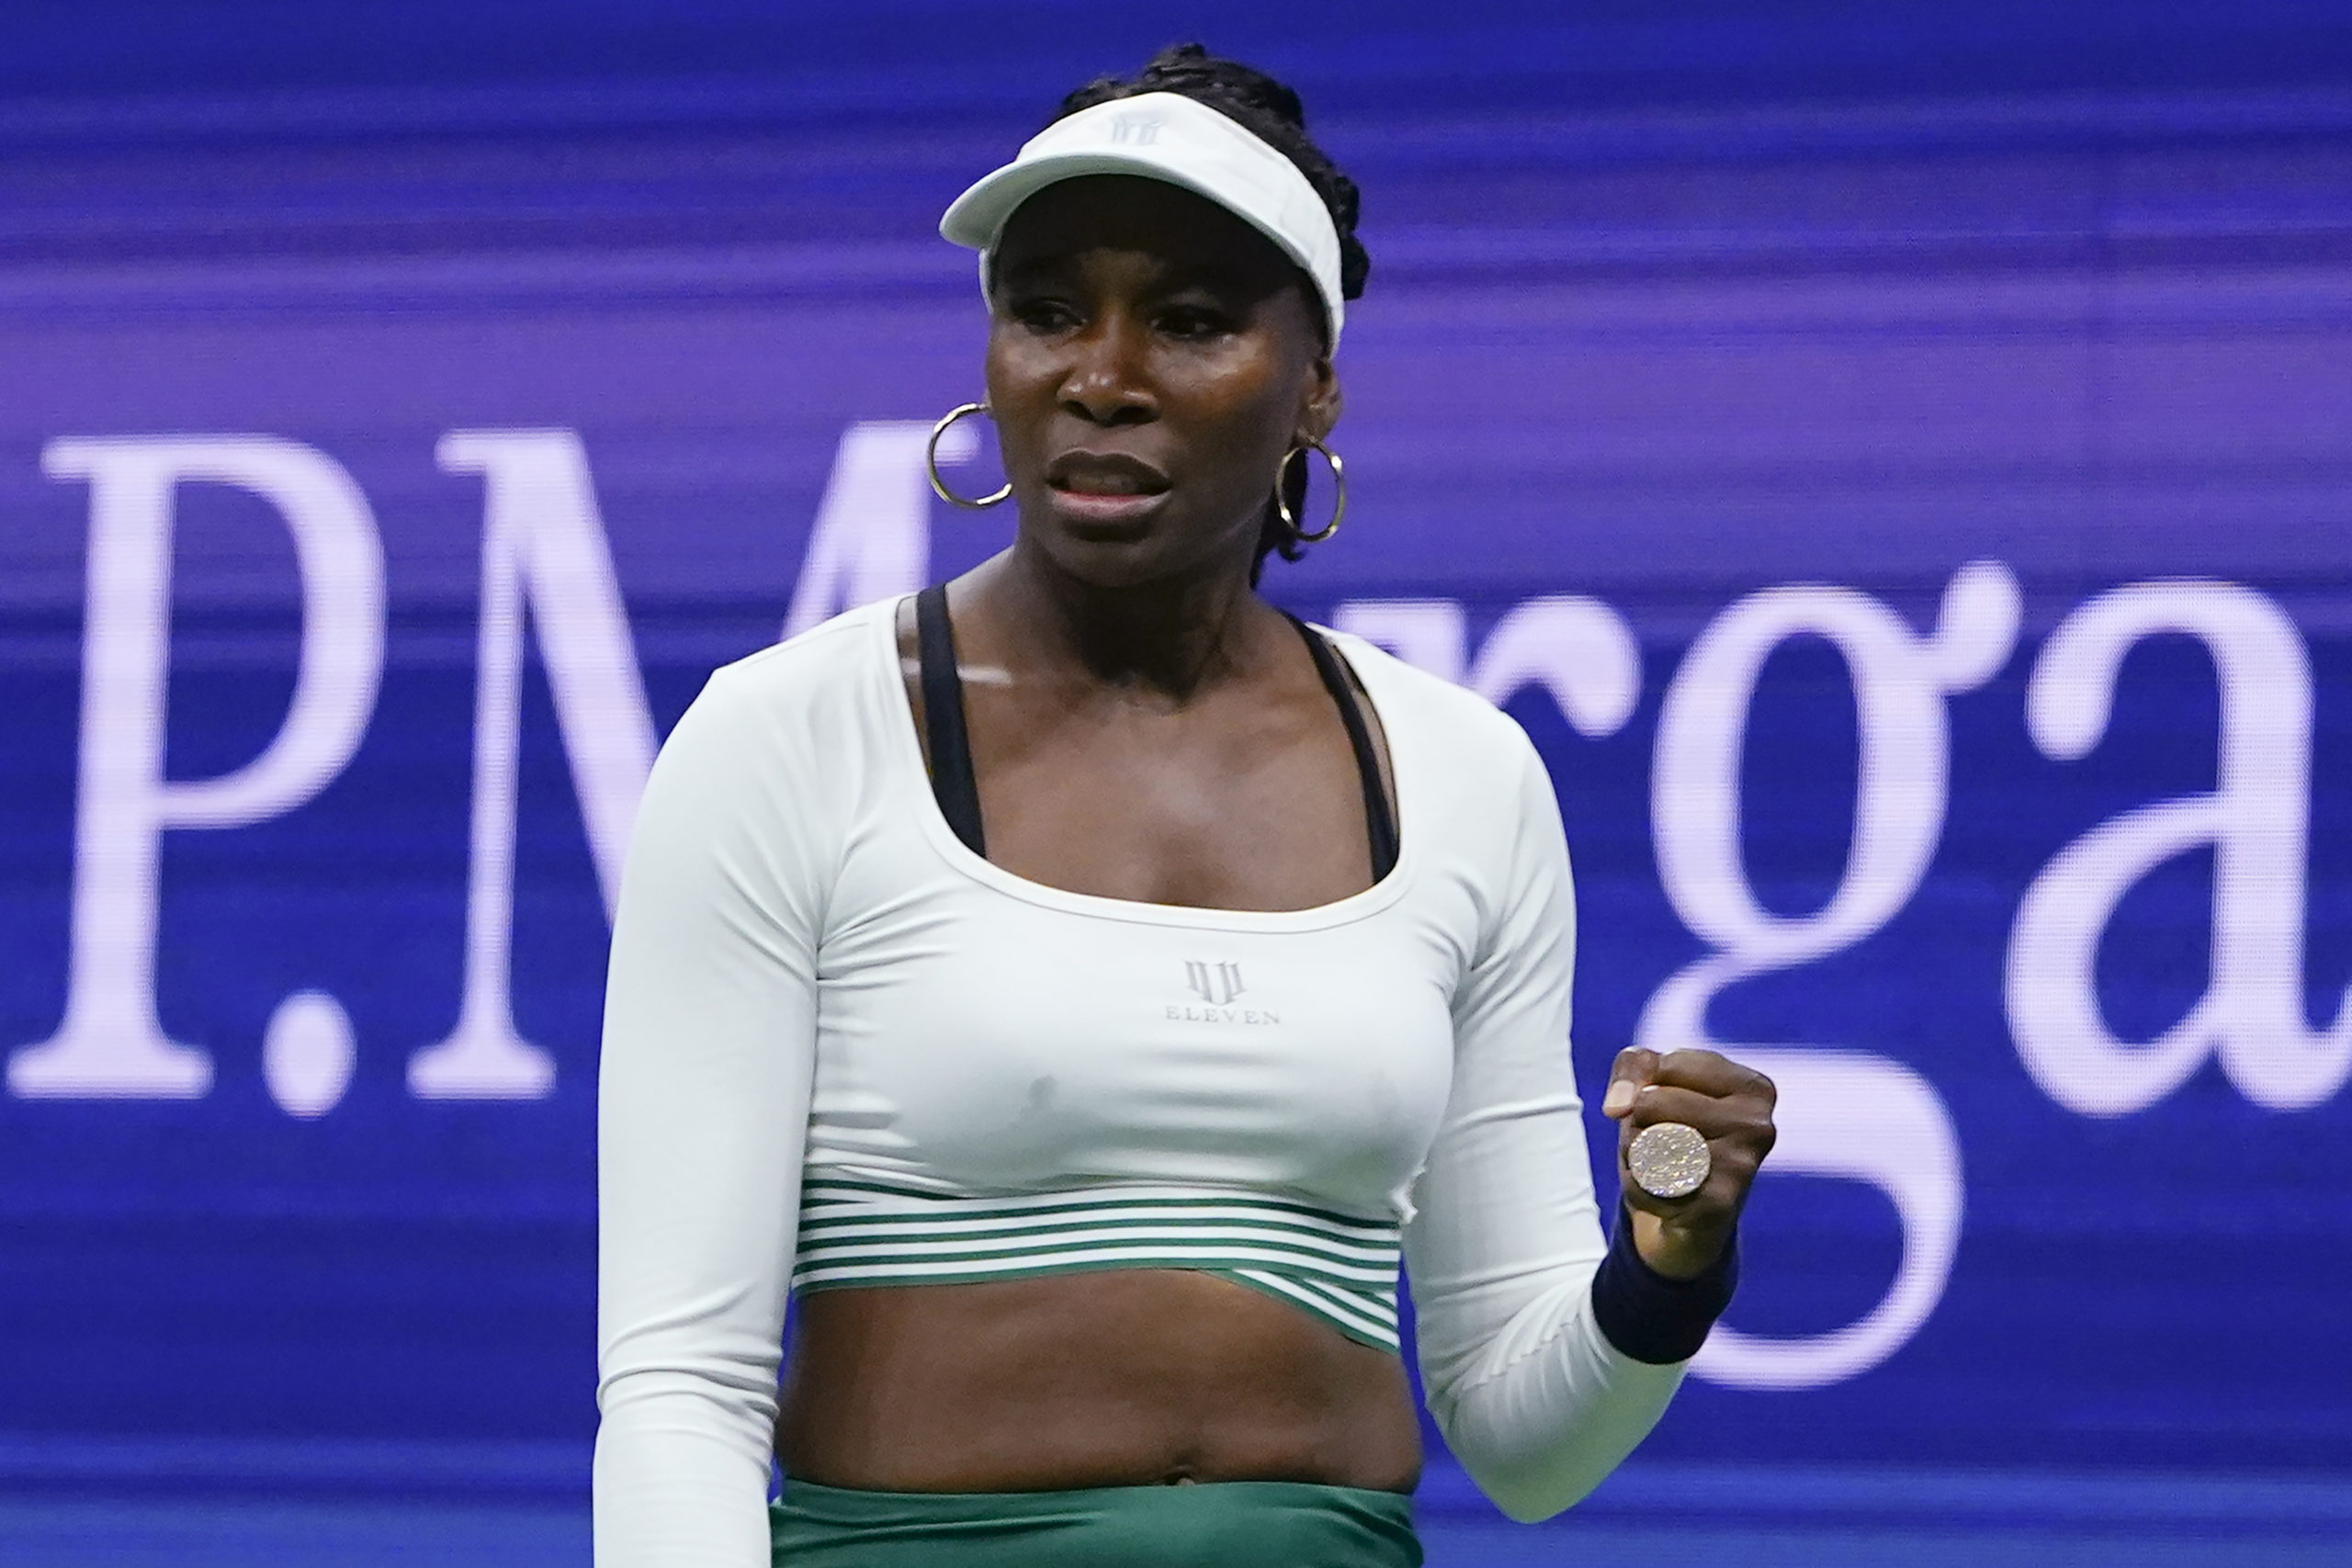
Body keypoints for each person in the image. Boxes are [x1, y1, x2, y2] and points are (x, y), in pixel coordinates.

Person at [594, 43, 1778, 1567]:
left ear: (1318, 381)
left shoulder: (1462, 773)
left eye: (1193, 319)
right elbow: (681, 1390)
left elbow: (1527, 1438)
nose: (1100, 377)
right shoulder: (786, 737)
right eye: (1045, 311)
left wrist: (1669, 1270)